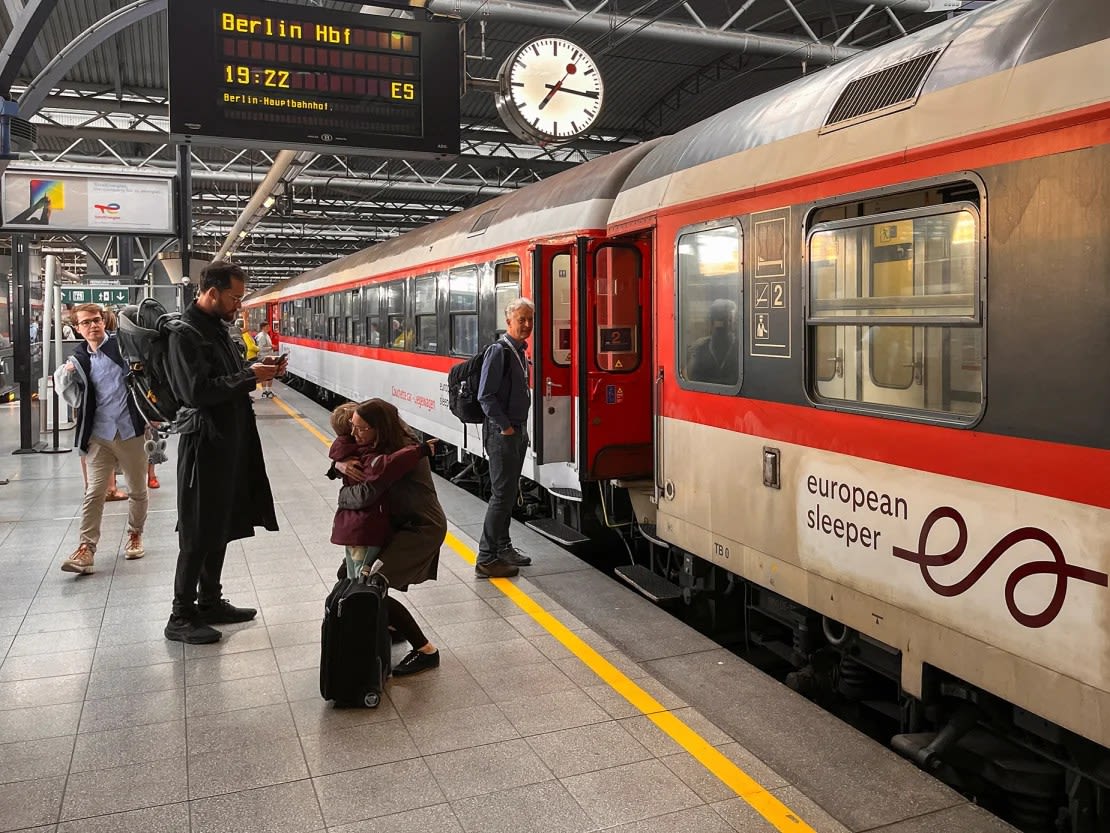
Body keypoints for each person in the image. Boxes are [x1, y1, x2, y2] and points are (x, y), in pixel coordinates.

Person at [162, 261, 285, 644]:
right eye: (234, 298)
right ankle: (180, 615)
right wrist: (252, 376)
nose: (238, 305)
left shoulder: (216, 330)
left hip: (228, 439)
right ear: (211, 293)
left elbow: (223, 377)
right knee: (198, 529)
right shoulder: (184, 334)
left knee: (220, 523)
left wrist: (256, 368)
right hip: (204, 444)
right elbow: (196, 392)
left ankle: (209, 601)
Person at [331, 398, 446, 675]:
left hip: (420, 528)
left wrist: (341, 489)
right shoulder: (381, 445)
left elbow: (363, 495)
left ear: (379, 428)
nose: (355, 435)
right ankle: (391, 625)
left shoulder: (401, 454)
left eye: (360, 429)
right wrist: (339, 465)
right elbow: (345, 455)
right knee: (347, 576)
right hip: (401, 524)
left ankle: (425, 651)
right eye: (353, 429)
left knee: (372, 583)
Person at [53, 303, 149, 574]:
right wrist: (68, 373)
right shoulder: (79, 359)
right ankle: (86, 549)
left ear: (104, 321)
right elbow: (63, 386)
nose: (93, 326)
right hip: (98, 434)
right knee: (94, 492)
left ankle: (135, 534)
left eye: (96, 320)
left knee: (137, 489)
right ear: (77, 328)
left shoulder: (123, 348)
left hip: (130, 430)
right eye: (86, 323)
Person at [474, 297, 535, 578]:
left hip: (516, 430)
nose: (526, 325)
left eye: (530, 320)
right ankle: (486, 558)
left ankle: (503, 547)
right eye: (521, 319)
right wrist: (506, 428)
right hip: (503, 434)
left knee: (508, 493)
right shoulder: (499, 351)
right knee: (501, 496)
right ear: (508, 321)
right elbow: (485, 395)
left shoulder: (520, 352)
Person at [686, 298, 739, 385]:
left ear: (734, 323)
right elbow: (692, 377)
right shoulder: (699, 348)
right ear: (710, 322)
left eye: (728, 320)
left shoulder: (740, 349)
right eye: (717, 319)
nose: (721, 325)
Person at [255, 322, 276, 399]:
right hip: (264, 357)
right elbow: (260, 348)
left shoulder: (266, 335)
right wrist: (271, 348)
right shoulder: (261, 336)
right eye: (267, 327)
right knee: (265, 375)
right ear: (263, 327)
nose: (269, 328)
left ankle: (268, 391)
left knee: (270, 375)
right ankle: (264, 392)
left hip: (268, 357)